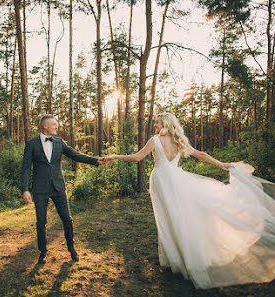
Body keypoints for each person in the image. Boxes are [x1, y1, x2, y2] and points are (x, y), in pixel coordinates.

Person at [101, 112, 275, 289]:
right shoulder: (179, 141)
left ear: (166, 124)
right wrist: (222, 164)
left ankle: (176, 259)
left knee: (168, 219)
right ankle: (177, 257)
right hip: (176, 179)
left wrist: (115, 156)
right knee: (179, 216)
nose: (155, 126)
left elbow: (137, 157)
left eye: (157, 123)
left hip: (162, 180)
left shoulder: (155, 140)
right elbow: (202, 154)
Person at [21, 114, 105, 264]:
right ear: (45, 126)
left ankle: (71, 248)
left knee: (67, 219)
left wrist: (96, 161)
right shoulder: (32, 144)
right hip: (40, 189)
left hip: (58, 187)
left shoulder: (60, 142)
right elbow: (26, 168)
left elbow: (76, 155)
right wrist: (25, 189)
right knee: (41, 222)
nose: (57, 126)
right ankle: (43, 251)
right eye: (54, 124)